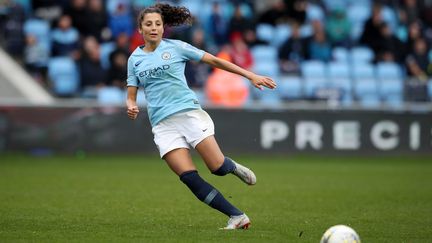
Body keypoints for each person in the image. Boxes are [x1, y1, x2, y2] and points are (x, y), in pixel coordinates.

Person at [126, 3, 276, 230]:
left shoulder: (176, 47)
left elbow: (214, 60)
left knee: (216, 167)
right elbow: (131, 94)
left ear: (163, 27)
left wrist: (250, 75)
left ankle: (231, 166)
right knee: (188, 177)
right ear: (140, 29)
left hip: (188, 113)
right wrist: (131, 105)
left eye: (158, 24)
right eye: (149, 24)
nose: (154, 28)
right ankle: (237, 216)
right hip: (162, 124)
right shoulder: (134, 60)